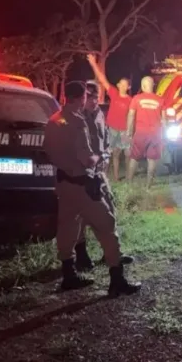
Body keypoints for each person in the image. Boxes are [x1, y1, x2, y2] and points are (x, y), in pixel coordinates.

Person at [44, 81, 140, 296]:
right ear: (82, 98)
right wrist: (99, 157)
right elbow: (87, 159)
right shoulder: (77, 122)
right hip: (83, 183)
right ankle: (117, 279)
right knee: (107, 224)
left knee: (67, 226)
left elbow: (47, 151)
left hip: (63, 183)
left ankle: (69, 274)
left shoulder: (54, 120)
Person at [73, 82, 134, 271]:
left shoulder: (99, 114)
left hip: (99, 173)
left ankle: (112, 254)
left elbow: (104, 140)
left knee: (110, 211)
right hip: (81, 175)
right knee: (81, 218)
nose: (93, 100)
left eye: (96, 96)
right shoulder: (76, 116)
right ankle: (81, 256)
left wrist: (105, 156)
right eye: (89, 96)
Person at [86, 54, 132, 182]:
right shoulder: (114, 93)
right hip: (112, 129)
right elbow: (102, 78)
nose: (123, 86)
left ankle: (127, 177)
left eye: (125, 85)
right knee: (110, 154)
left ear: (128, 87)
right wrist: (93, 63)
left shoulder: (131, 100)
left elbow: (132, 116)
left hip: (124, 130)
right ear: (118, 85)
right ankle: (111, 177)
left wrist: (130, 131)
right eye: (121, 84)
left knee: (125, 154)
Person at [126, 76, 164, 187]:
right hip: (155, 134)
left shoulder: (136, 98)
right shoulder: (160, 100)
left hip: (141, 133)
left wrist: (129, 131)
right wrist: (163, 135)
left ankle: (129, 183)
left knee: (134, 158)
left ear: (143, 86)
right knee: (152, 160)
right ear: (153, 86)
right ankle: (148, 186)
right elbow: (164, 119)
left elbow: (131, 115)